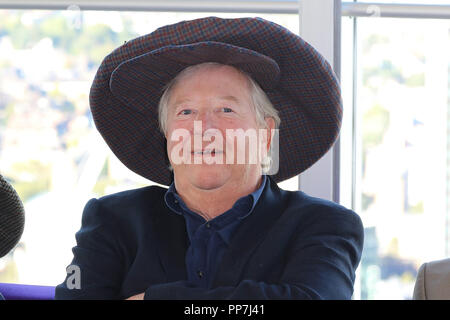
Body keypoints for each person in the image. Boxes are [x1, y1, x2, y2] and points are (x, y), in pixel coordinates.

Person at [55, 16, 364, 300]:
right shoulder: (112, 220)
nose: (203, 128)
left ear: (266, 134)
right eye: (185, 112)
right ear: (167, 135)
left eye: (225, 110)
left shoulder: (324, 225)